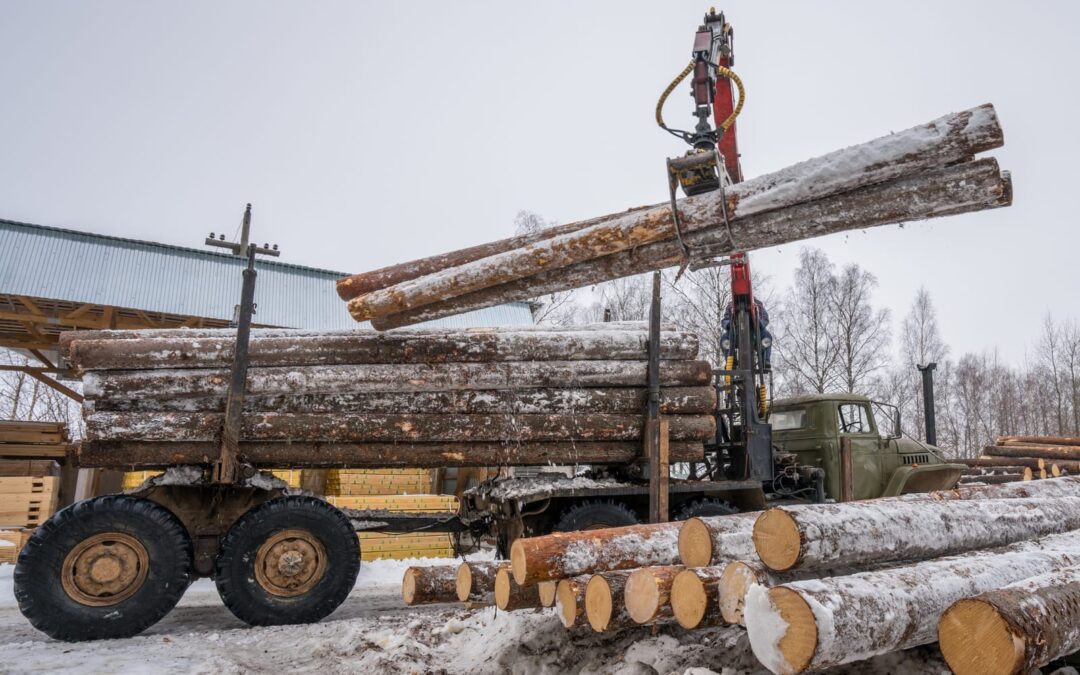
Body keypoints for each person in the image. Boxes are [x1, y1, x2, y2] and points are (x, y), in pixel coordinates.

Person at [720, 298, 772, 371]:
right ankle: (732, 362)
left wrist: (759, 324)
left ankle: (765, 360)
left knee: (767, 336)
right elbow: (725, 320)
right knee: (724, 338)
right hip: (736, 333)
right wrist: (729, 324)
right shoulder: (731, 305)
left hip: (756, 332)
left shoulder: (758, 304)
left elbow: (765, 318)